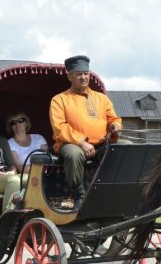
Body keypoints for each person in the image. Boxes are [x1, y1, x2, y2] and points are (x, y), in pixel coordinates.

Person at [50, 55, 123, 208]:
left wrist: (115, 126)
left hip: (102, 143)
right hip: (71, 144)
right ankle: (79, 197)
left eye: (86, 73)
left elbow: (114, 118)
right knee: (73, 154)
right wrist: (82, 142)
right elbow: (59, 127)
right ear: (69, 76)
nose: (84, 77)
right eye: (79, 74)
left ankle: (115, 190)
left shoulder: (102, 98)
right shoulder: (59, 99)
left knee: (126, 146)